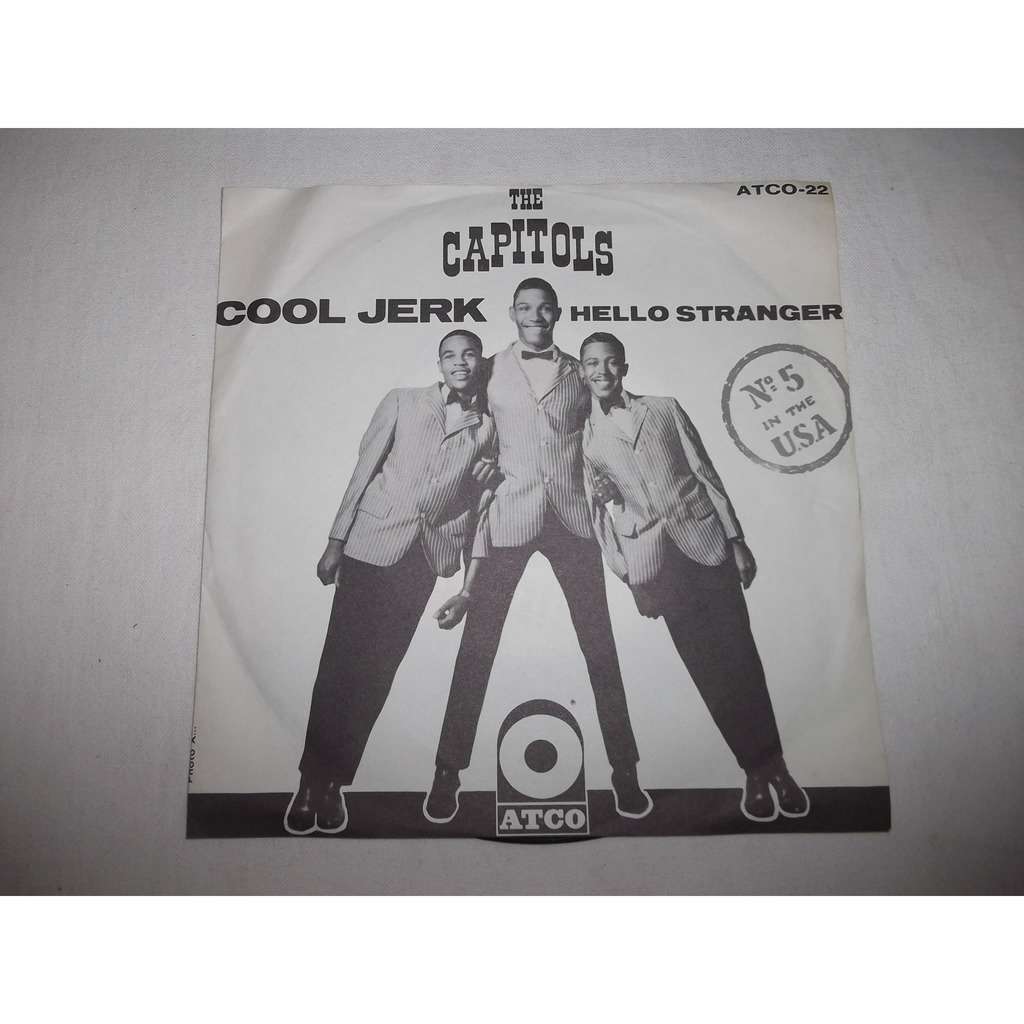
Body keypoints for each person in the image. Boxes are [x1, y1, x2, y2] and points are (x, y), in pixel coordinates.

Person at [424, 279, 650, 824]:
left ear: (556, 313)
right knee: (478, 643)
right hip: (508, 515)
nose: (535, 316)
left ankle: (625, 771)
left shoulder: (580, 370)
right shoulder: (488, 368)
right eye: (525, 308)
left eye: (544, 309)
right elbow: (467, 422)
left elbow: (603, 429)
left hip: (573, 519)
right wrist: (475, 467)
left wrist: (608, 482)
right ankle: (447, 773)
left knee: (599, 642)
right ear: (512, 313)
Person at [577, 331, 809, 823]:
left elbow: (705, 473)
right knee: (707, 671)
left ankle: (778, 768)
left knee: (741, 659)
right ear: (581, 372)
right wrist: (629, 575)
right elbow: (598, 515)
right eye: (592, 363)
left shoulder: (664, 409)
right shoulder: (585, 439)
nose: (602, 371)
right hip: (657, 565)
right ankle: (753, 770)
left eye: (611, 362)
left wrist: (735, 539)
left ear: (624, 367)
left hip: (706, 547)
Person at [284, 330, 496, 835]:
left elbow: (480, 503)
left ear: (480, 363)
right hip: (370, 544)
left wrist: (490, 476)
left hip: (423, 557)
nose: (460, 362)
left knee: (378, 672)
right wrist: (336, 540)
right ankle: (309, 783)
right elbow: (363, 471)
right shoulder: (402, 402)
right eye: (450, 355)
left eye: (469, 354)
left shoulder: (489, 427)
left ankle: (335, 785)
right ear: (439, 364)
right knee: (339, 664)